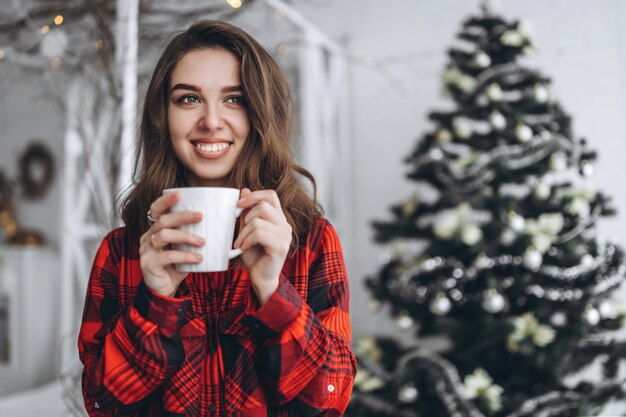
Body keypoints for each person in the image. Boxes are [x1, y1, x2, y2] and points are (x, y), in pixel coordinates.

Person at [78, 20, 356, 417]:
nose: (211, 121)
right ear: (163, 117)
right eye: (188, 99)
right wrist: (155, 302)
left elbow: (329, 401)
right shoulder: (122, 252)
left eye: (234, 99)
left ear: (261, 112)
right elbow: (101, 404)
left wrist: (273, 290)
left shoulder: (310, 241)